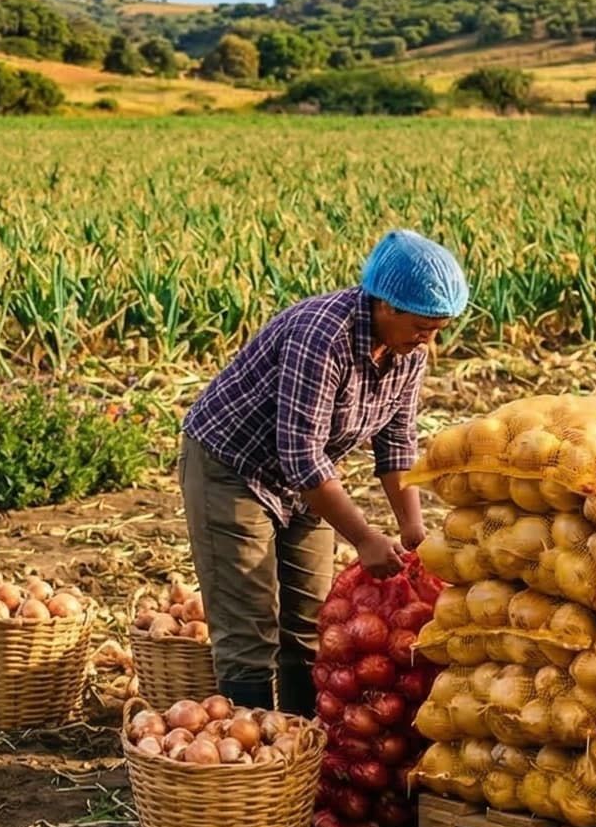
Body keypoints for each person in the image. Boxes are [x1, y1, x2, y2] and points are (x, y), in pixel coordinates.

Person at [178, 229, 467, 716]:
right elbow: (301, 453)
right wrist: (364, 537)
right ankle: (253, 749)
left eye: (438, 329)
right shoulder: (323, 336)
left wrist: (412, 529)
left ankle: (304, 743)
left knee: (312, 624)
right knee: (249, 627)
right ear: (386, 305)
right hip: (232, 469)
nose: (428, 340)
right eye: (422, 326)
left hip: (305, 483)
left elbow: (397, 440)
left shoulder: (406, 351)